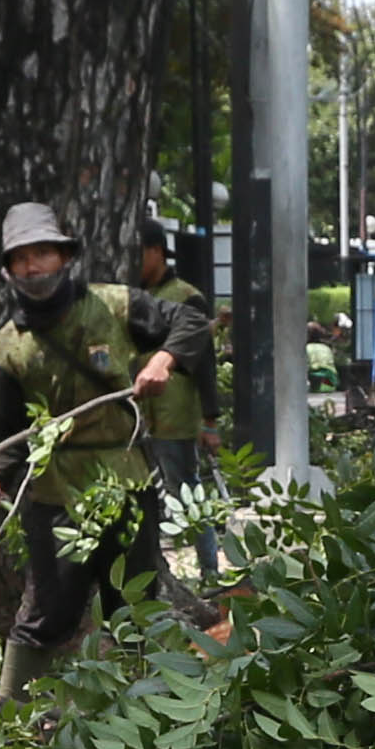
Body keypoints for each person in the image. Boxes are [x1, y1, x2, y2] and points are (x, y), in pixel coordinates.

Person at [0, 199, 171, 682]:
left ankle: (148, 719)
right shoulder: (8, 345)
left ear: (64, 257)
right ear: (8, 270)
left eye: (42, 253)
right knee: (47, 615)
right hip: (56, 495)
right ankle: (9, 724)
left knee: (135, 608)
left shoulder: (118, 305)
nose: (32, 266)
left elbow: (188, 321)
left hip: (128, 484)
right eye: (21, 258)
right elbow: (11, 427)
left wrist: (164, 359)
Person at [121, 217, 225, 586]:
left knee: (187, 490)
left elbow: (206, 362)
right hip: (133, 412)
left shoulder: (185, 295)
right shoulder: (125, 296)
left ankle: (210, 569)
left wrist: (210, 420)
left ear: (155, 252)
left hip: (174, 409)